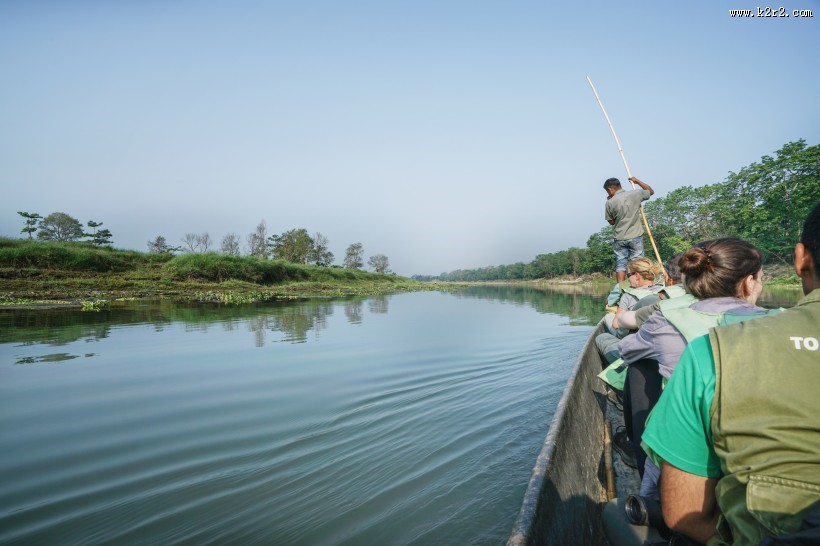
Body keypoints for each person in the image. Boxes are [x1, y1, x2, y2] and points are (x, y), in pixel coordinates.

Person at [642, 202, 820, 545]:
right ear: (749, 283)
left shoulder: (711, 348)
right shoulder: (763, 319)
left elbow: (683, 514)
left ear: (801, 259)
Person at [619, 238, 774, 510]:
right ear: (749, 283)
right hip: (765, 446)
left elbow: (627, 349)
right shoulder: (782, 322)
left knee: (639, 368)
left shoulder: (665, 319)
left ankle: (641, 463)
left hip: (693, 446)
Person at [596, 258, 664, 365]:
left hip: (635, 342)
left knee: (605, 327)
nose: (628, 280)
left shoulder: (628, 296)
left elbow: (616, 324)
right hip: (659, 343)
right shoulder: (665, 292)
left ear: (636, 275)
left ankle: (617, 368)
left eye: (628, 276)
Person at [604, 176, 654, 282]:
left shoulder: (610, 202)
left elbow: (611, 222)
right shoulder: (635, 194)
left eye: (607, 192)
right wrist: (637, 181)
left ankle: (620, 288)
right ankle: (638, 284)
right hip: (635, 235)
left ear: (610, 189)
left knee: (621, 262)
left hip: (620, 237)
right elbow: (650, 191)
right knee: (637, 262)